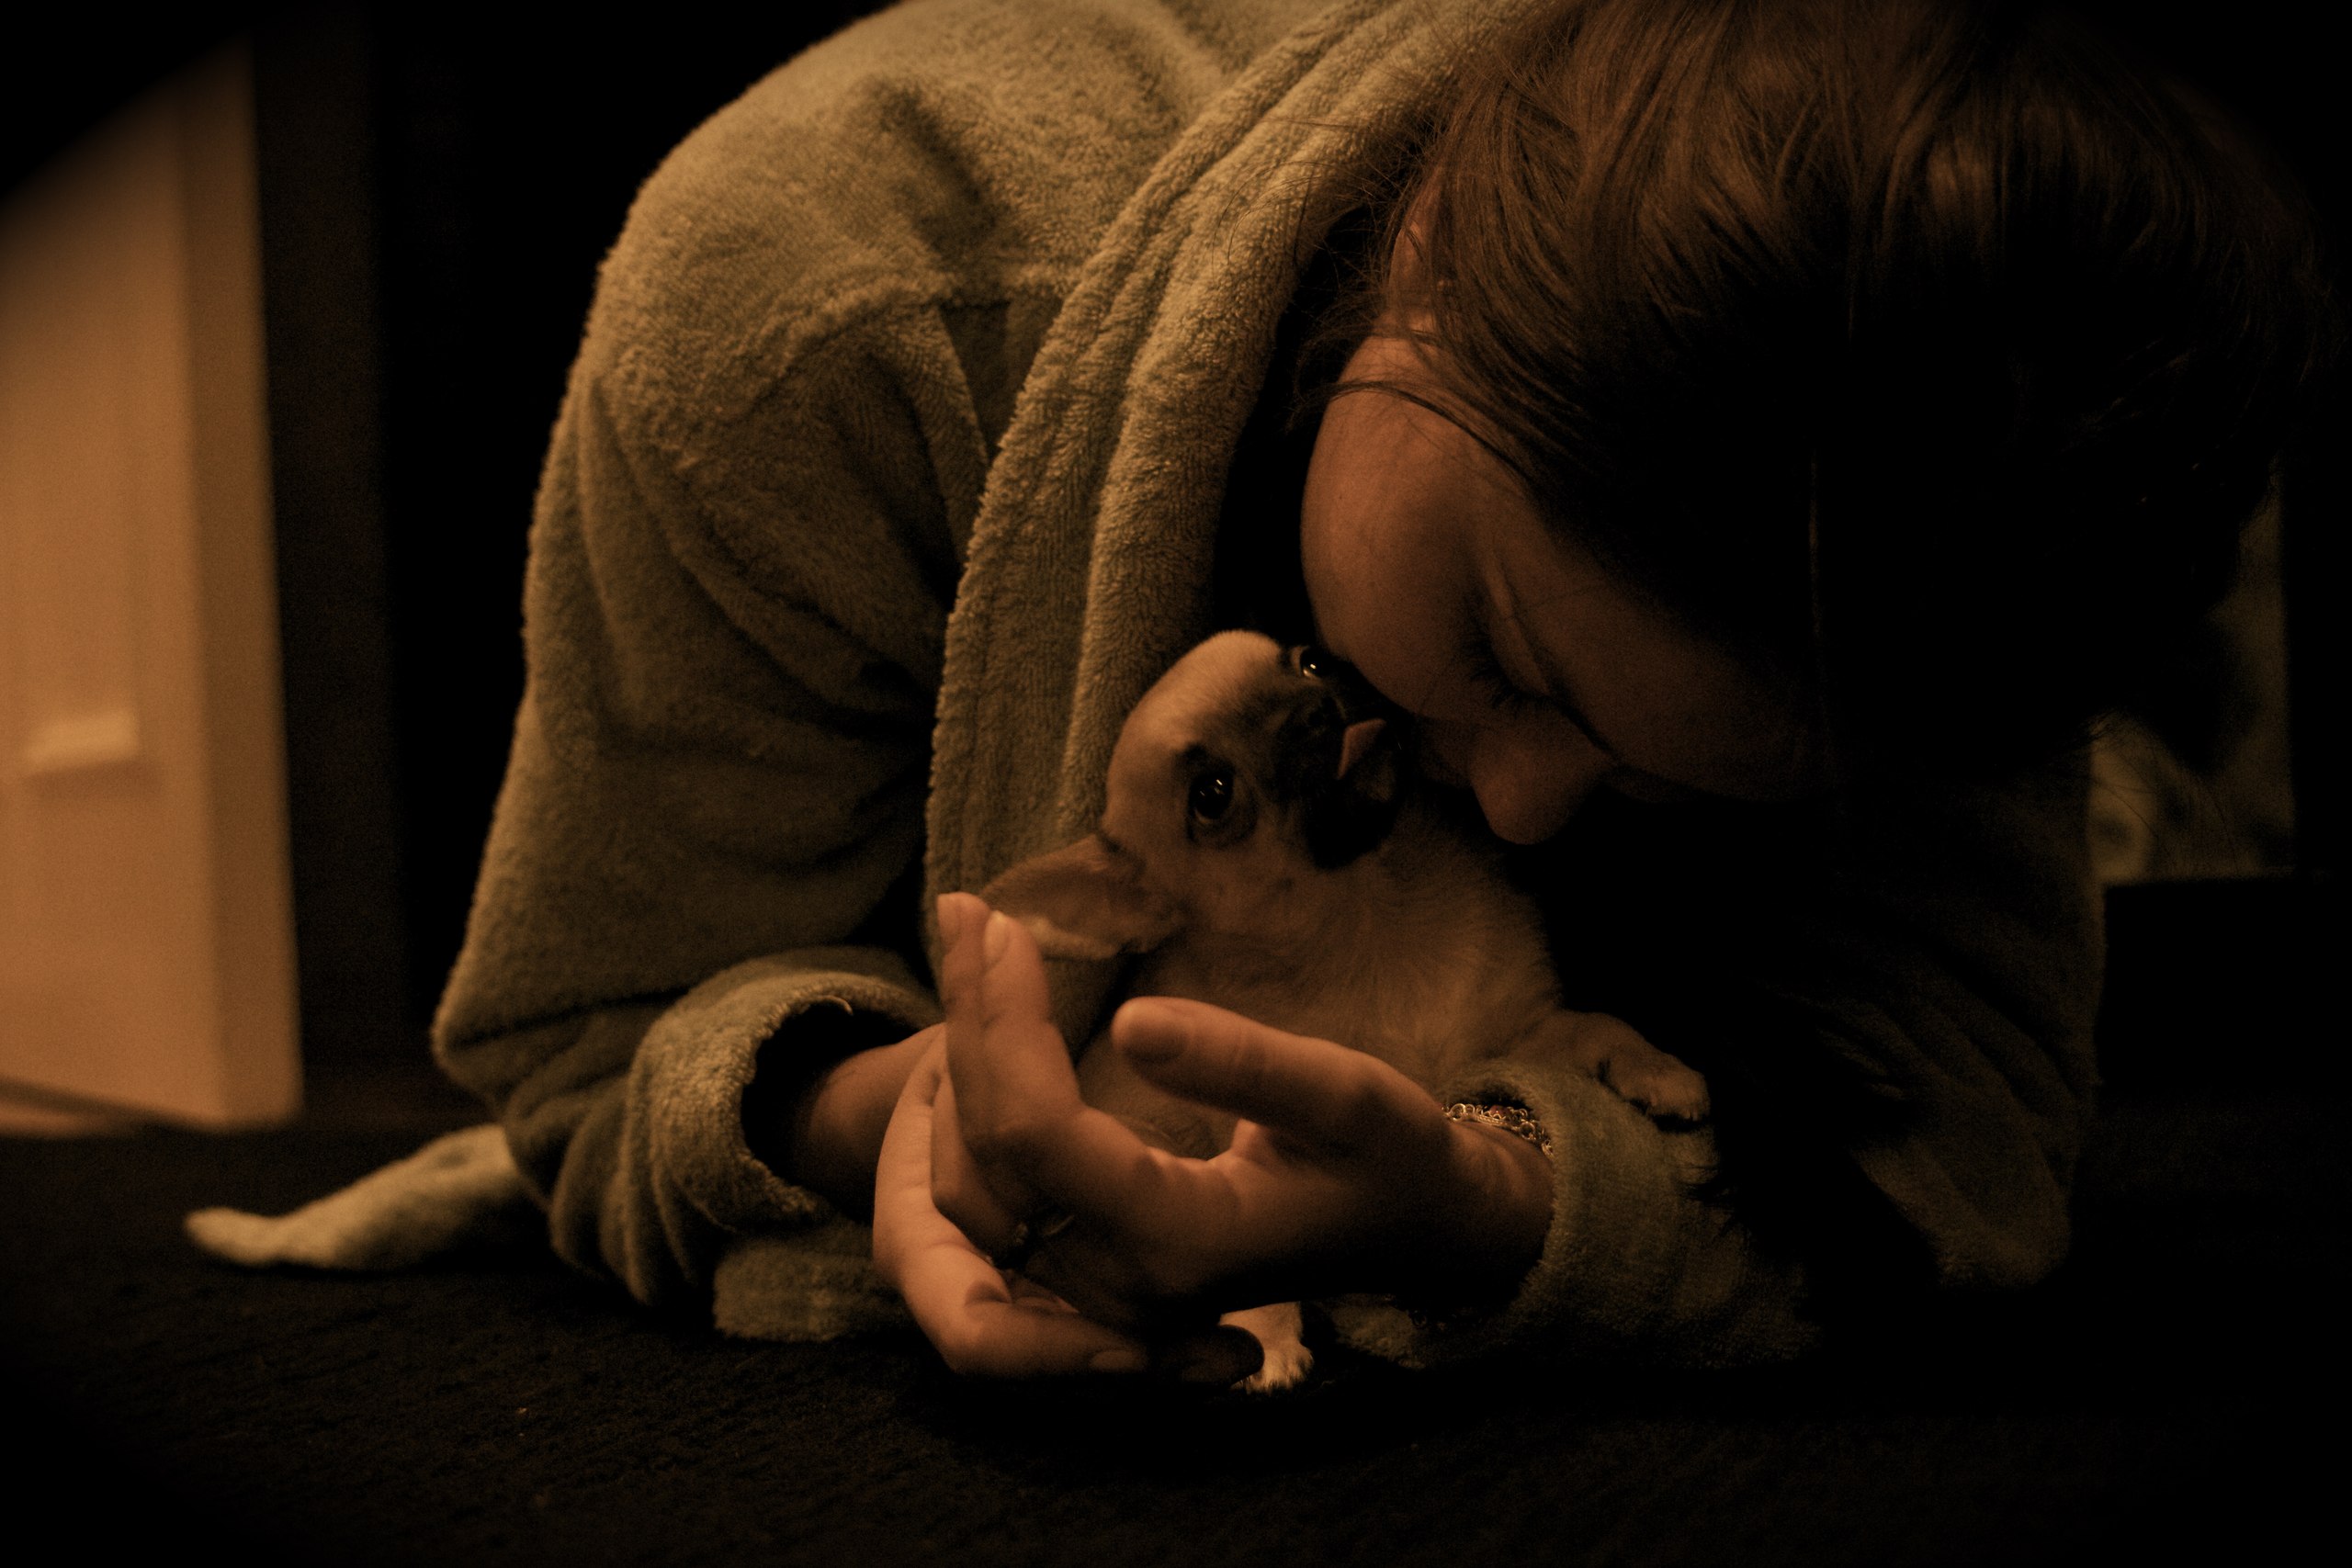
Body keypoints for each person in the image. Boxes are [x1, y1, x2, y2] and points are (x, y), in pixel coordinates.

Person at [430, 0, 2327, 1382]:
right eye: (1503, 654)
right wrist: (884, 1112)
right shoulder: (815, 305)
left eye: (1679, 790)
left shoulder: (1981, 383)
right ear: (1432, 251)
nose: (1515, 805)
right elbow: (587, 1043)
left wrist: (1494, 1206)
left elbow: (1965, 1115)